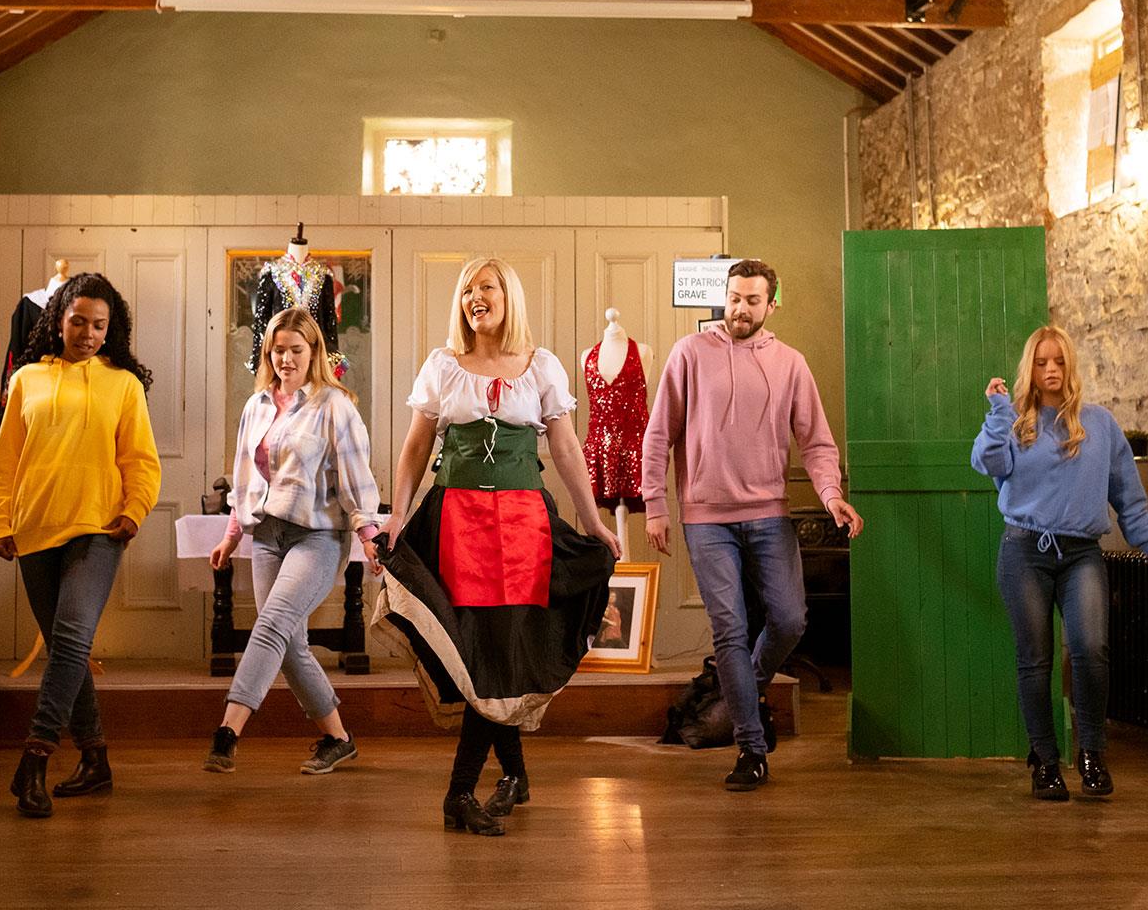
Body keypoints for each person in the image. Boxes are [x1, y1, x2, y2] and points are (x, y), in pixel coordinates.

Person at [373, 257, 621, 837]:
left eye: (486, 286)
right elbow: (415, 448)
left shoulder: (541, 368)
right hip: (457, 523)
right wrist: (396, 516)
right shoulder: (443, 367)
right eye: (466, 289)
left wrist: (592, 522)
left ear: (508, 296)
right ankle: (479, 786)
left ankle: (481, 785)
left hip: (522, 525)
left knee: (504, 646)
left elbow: (565, 451)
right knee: (483, 649)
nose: (473, 296)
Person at [643, 258, 863, 792]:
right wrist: (656, 507)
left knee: (790, 620)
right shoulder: (689, 354)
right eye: (733, 298)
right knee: (731, 630)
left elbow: (817, 442)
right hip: (706, 518)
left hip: (769, 514)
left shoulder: (790, 363)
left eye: (752, 300)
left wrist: (832, 496)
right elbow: (657, 435)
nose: (740, 309)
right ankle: (751, 748)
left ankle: (742, 685)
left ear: (772, 303)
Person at [971, 324, 1148, 800]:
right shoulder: (1016, 422)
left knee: (1090, 650)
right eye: (1041, 362)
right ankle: (1044, 760)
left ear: (1070, 366)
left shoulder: (1099, 424)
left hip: (1082, 552)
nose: (1050, 371)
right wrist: (998, 414)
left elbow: (1125, 489)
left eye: (1059, 361)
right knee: (1035, 660)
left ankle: (1091, 755)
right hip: (1025, 551)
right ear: (1030, 368)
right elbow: (987, 463)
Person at [0, 273, 161, 818]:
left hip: (98, 530)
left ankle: (34, 760)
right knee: (72, 651)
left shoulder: (123, 385)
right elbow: (5, 462)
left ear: (113, 330)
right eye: (79, 321)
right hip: (34, 530)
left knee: (68, 640)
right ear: (59, 319)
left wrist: (133, 511)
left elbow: (141, 461)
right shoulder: (26, 380)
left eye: (100, 325)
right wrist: (1, 523)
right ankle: (95, 759)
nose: (89, 333)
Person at [203, 307, 381, 775]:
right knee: (290, 645)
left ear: (314, 352)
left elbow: (355, 477)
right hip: (267, 535)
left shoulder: (334, 405)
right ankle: (338, 738)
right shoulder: (256, 405)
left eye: (296, 350)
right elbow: (245, 479)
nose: (286, 358)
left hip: (318, 537)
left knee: (271, 626)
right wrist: (231, 534)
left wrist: (368, 535)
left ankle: (228, 731)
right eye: (278, 349)